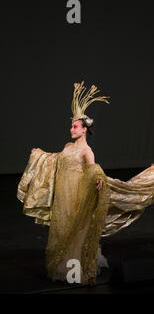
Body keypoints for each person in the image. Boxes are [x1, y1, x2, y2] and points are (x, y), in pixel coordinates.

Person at [17, 81, 110, 284]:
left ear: (84, 130)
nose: (71, 129)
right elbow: (56, 159)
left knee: (75, 231)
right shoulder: (68, 146)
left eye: (75, 126)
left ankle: (75, 273)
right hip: (62, 196)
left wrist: (99, 180)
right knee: (61, 230)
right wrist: (40, 155)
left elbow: (93, 169)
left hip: (77, 195)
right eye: (71, 126)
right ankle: (63, 268)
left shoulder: (87, 151)